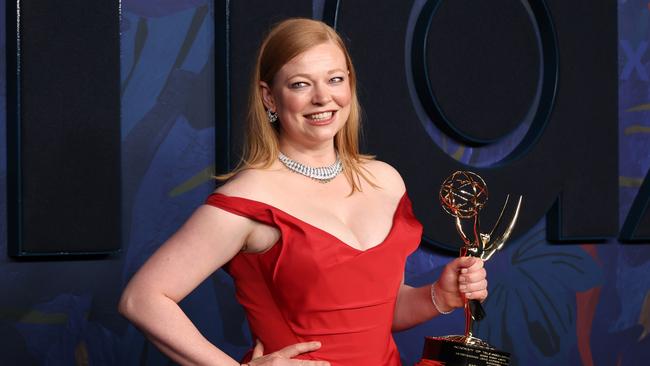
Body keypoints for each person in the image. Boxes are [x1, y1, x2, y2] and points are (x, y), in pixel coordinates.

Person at [119, 18, 488, 366]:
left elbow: (374, 314)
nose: (322, 98)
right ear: (269, 98)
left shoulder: (384, 181)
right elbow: (142, 299)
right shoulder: (251, 196)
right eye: (300, 84)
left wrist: (439, 296)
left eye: (335, 79)